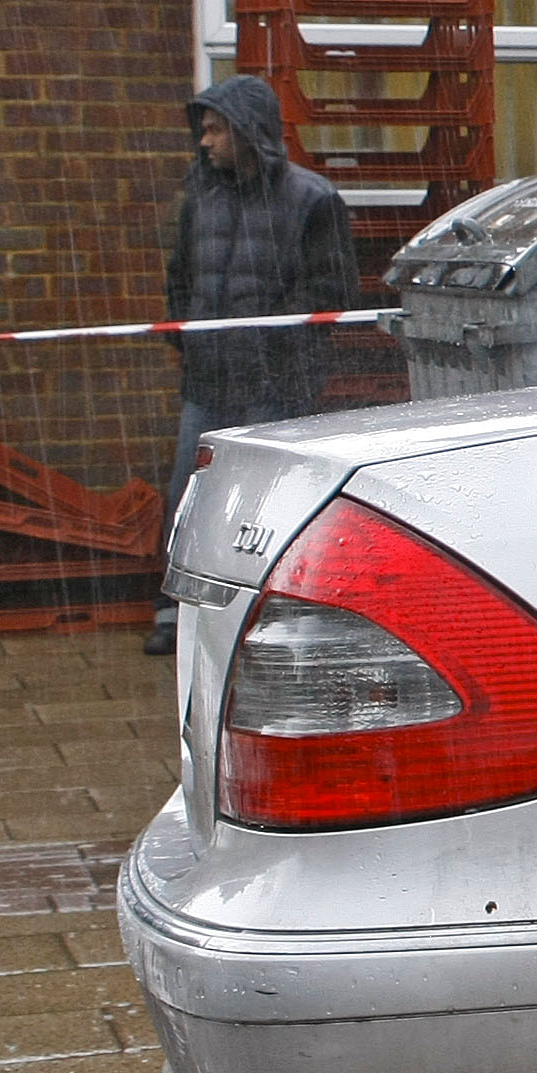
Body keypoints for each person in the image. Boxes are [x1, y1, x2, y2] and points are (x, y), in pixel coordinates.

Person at [151, 78, 355, 653]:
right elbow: (180, 280)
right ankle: (175, 608)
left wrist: (277, 358)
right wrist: (191, 346)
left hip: (274, 386)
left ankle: (255, 610)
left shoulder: (313, 200)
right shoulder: (200, 197)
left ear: (247, 133)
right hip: (208, 380)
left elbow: (331, 291)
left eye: (215, 130)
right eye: (203, 131)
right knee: (187, 496)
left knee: (264, 507)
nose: (205, 143)